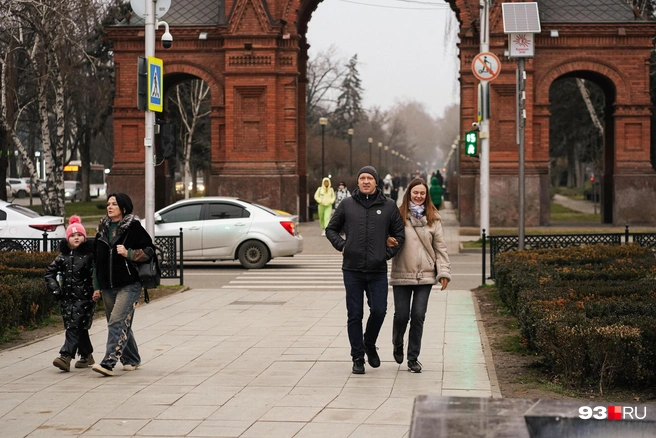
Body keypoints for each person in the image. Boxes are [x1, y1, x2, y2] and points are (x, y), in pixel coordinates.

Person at [326, 166, 405, 374]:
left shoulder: (388, 206)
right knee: (355, 314)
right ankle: (358, 357)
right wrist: (342, 246)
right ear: (358, 182)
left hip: (377, 270)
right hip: (352, 269)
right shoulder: (347, 205)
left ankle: (369, 343)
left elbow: (400, 236)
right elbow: (330, 229)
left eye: (370, 178)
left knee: (379, 310)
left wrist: (384, 254)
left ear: (376, 182)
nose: (366, 181)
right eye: (362, 178)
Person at [388, 178, 451, 373]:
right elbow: (387, 238)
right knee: (401, 315)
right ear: (409, 194)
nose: (419, 196)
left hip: (425, 275)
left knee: (418, 315)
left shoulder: (434, 218)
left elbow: (440, 248)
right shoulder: (398, 216)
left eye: (422, 193)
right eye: (415, 192)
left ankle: (413, 357)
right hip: (402, 272)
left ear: (426, 195)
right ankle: (397, 342)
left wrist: (444, 272)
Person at [92, 193, 156, 376]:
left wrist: (129, 253)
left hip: (129, 284)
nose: (109, 207)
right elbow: (96, 261)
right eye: (108, 204)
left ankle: (108, 362)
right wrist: (97, 286)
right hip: (107, 286)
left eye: (114, 204)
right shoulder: (102, 230)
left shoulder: (133, 228)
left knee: (117, 322)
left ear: (124, 208)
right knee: (118, 324)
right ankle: (132, 358)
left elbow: (150, 250)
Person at [45, 215, 98, 372]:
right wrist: (56, 289)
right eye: (73, 235)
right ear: (68, 239)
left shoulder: (89, 257)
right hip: (67, 299)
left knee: (73, 326)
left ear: (84, 237)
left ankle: (65, 356)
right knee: (78, 327)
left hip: (85, 298)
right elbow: (49, 273)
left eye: (79, 235)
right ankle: (87, 355)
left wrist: (96, 290)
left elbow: (95, 274)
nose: (76, 238)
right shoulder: (63, 257)